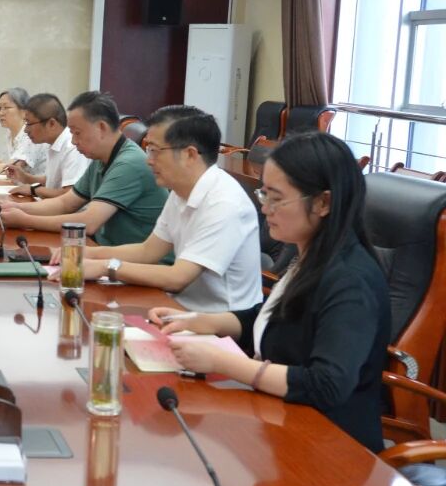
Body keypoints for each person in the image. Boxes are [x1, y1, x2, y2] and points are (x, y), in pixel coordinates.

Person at [148, 132, 390, 454]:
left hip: (331, 447)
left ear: (323, 203)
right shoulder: (310, 256)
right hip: (281, 418)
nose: (265, 209)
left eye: (276, 198)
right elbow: (273, 323)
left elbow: (327, 385)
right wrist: (199, 321)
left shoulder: (350, 279)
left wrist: (221, 361)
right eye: (264, 194)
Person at [76, 105, 261, 312]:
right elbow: (148, 251)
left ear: (189, 154)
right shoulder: (180, 190)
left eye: (155, 151)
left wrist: (105, 267)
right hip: (176, 306)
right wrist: (84, 253)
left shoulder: (224, 204)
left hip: (213, 321)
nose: (148, 161)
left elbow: (177, 278)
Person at [0, 90, 166, 245]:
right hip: (104, 248)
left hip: (134, 261)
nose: (73, 141)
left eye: (77, 133)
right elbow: (66, 203)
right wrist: (16, 208)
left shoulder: (128, 163)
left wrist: (24, 220)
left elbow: (89, 222)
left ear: (101, 128)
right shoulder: (101, 159)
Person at [4, 93, 90, 199]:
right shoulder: (54, 143)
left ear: (51, 124)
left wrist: (33, 190)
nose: (26, 130)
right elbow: (51, 182)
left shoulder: (72, 147)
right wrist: (24, 177)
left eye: (29, 124)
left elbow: (70, 194)